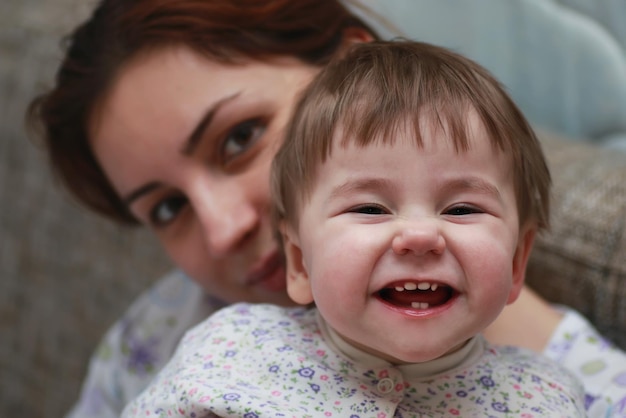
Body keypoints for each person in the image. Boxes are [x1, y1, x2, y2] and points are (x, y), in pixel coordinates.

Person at [25, 0, 626, 417]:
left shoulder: (568, 394)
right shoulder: (172, 335)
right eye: (166, 207)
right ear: (296, 259)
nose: (221, 230)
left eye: (240, 138)